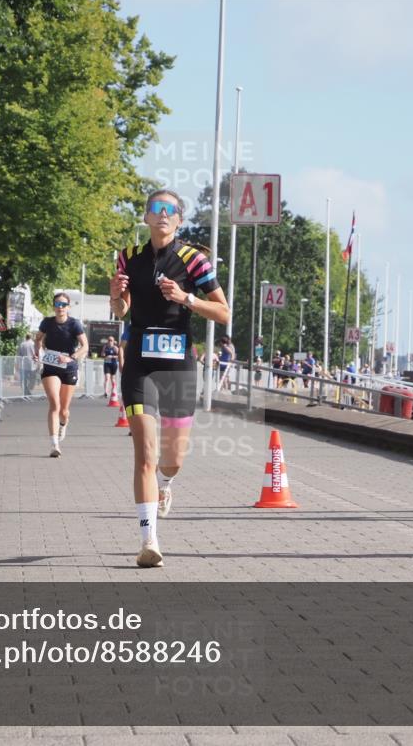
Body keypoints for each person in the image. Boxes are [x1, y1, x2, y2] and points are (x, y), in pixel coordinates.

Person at [109, 189, 230, 567]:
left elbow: (224, 313)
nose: (162, 214)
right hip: (140, 364)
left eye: (170, 210)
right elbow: (122, 311)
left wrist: (185, 298)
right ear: (146, 216)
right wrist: (115, 296)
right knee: (145, 454)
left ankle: (166, 484)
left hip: (178, 365)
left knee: (172, 458)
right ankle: (149, 541)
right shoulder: (128, 257)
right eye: (156, 208)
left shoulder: (193, 260)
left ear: (179, 219)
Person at [35, 292, 87, 458]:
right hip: (50, 366)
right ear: (54, 307)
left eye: (63, 305)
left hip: (69, 367)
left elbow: (85, 346)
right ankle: (54, 444)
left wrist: (71, 357)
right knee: (54, 405)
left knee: (64, 411)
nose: (60, 308)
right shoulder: (47, 323)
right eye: (57, 304)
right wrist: (37, 353)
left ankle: (63, 424)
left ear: (68, 307)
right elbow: (38, 339)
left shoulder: (74, 324)